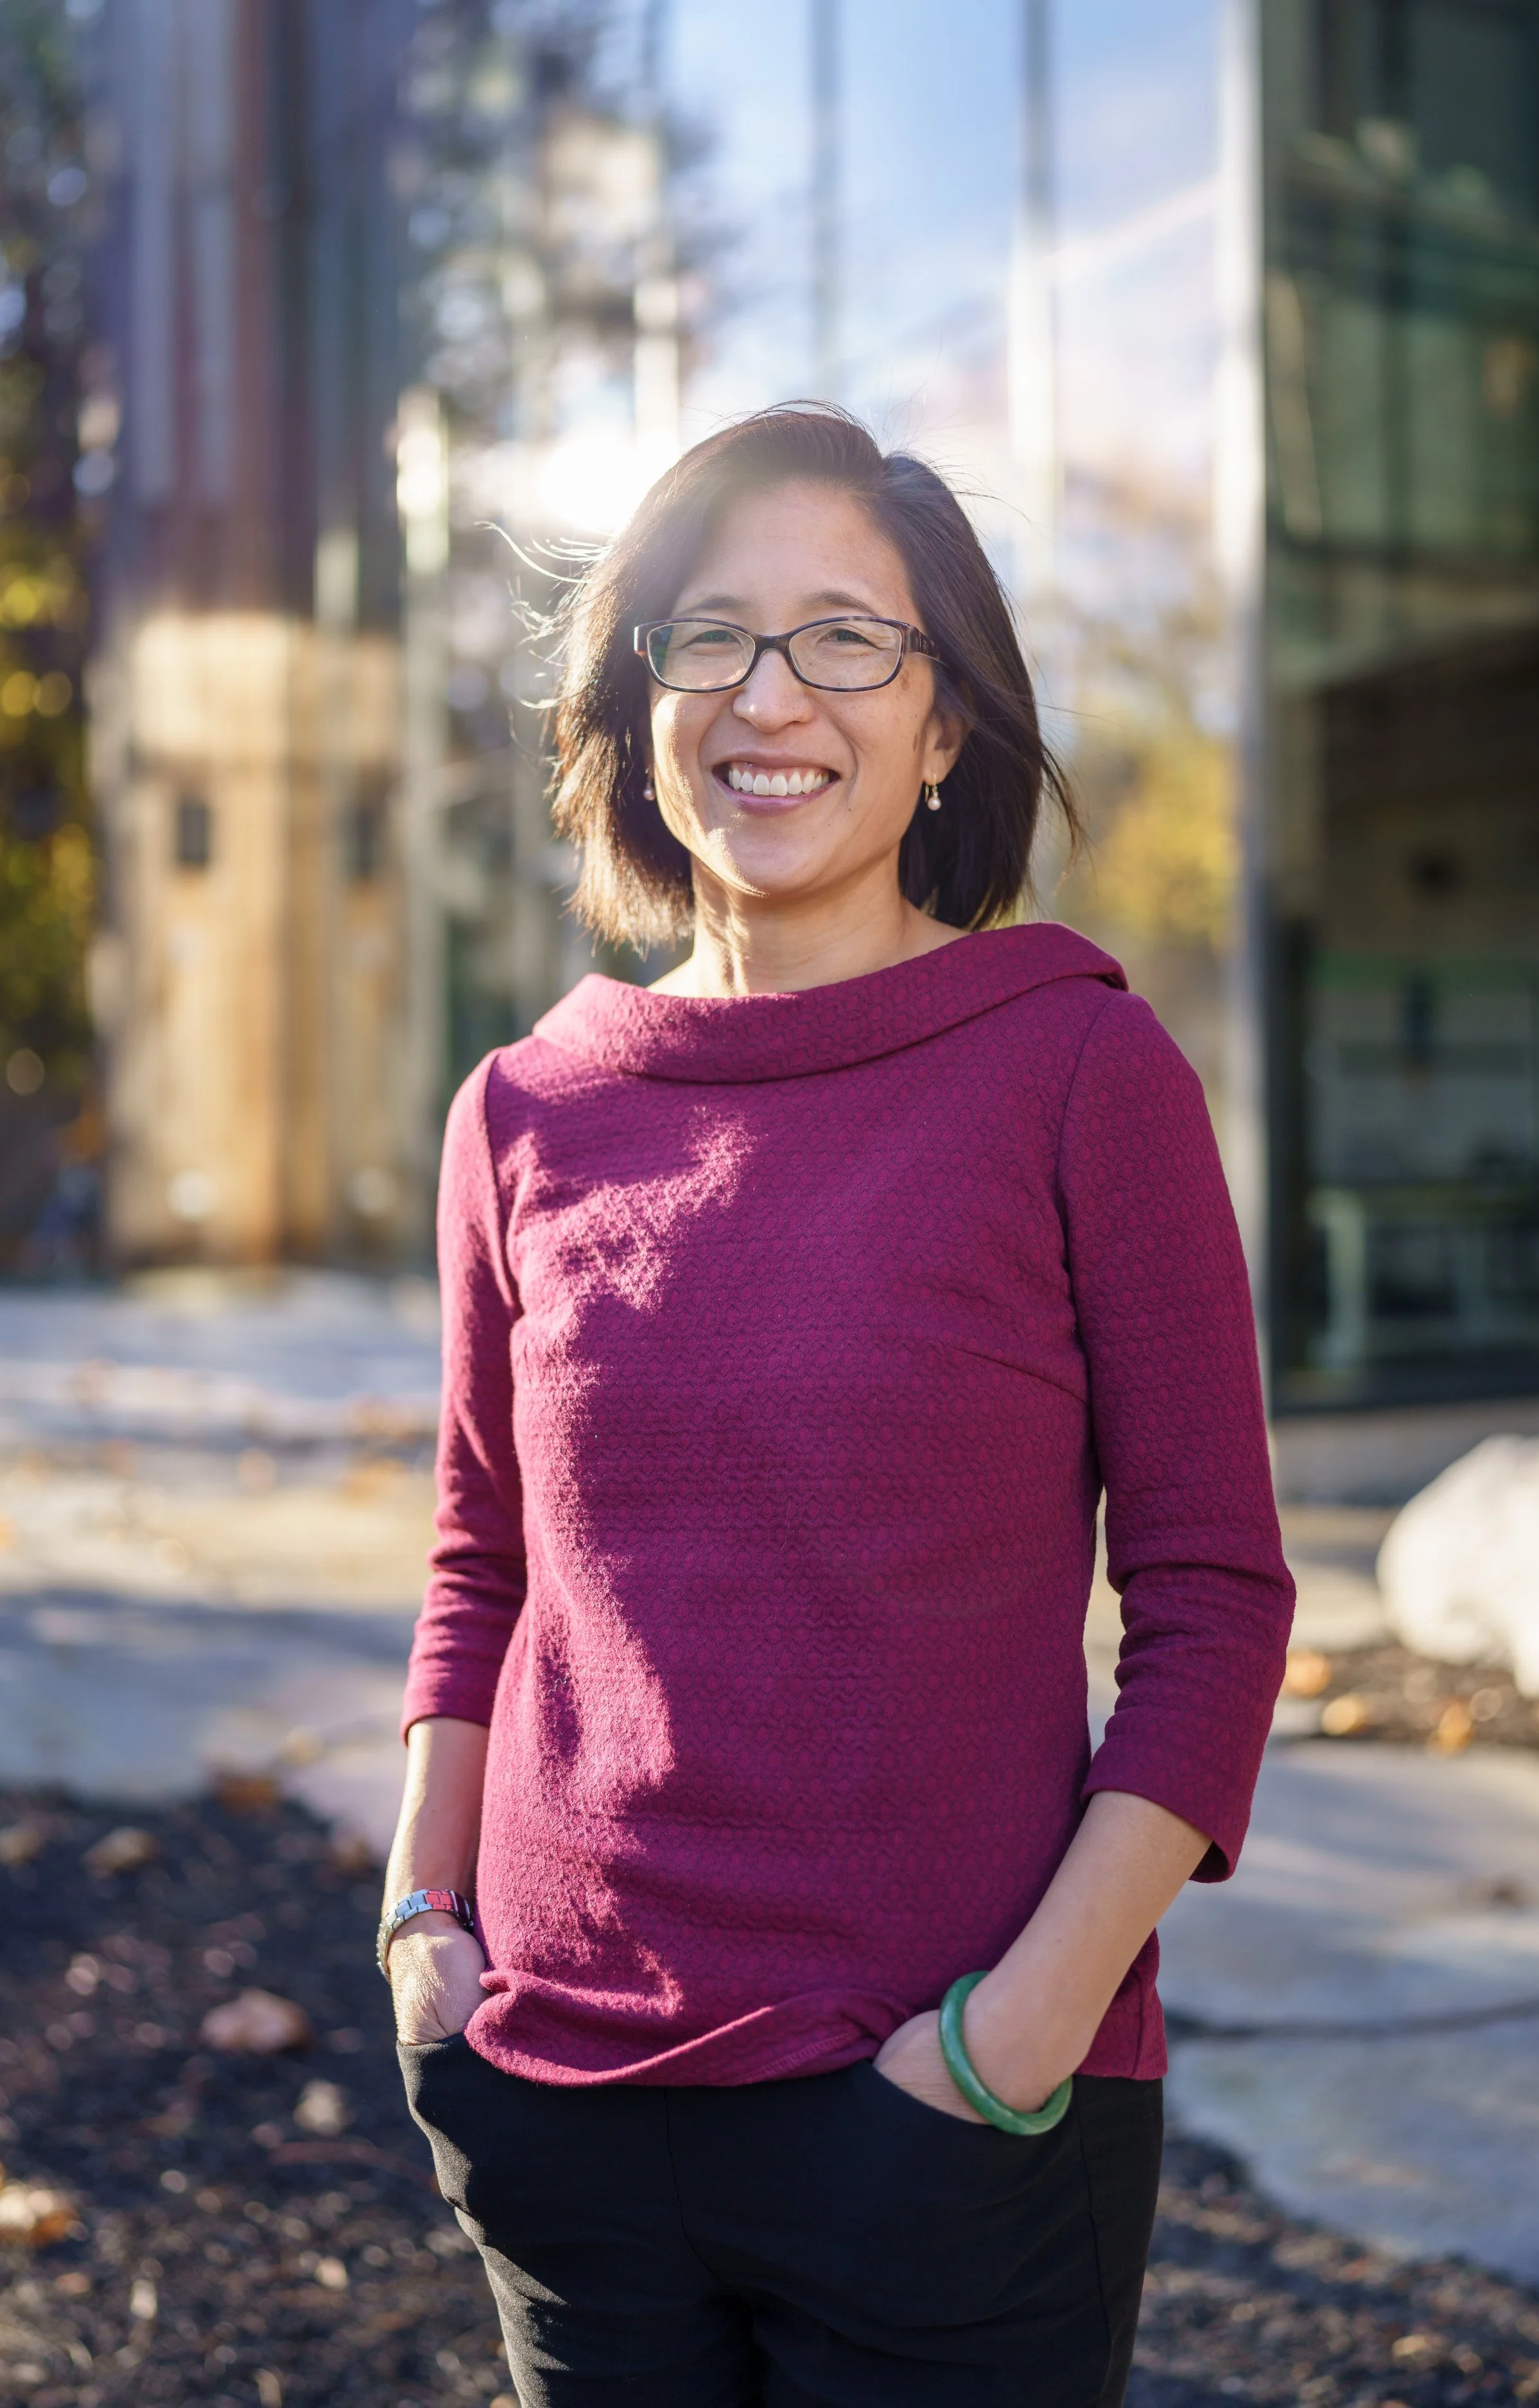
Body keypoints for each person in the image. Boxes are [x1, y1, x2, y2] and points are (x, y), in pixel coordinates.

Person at [384, 405, 1294, 2408]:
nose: (767, 696)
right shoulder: (520, 1110)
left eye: (843, 640)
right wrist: (420, 1928)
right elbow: (484, 1558)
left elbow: (1215, 1602)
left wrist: (1006, 2044)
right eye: (707, 637)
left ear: (943, 722)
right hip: (560, 2097)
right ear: (637, 700)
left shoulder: (1075, 1071)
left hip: (947, 2115)